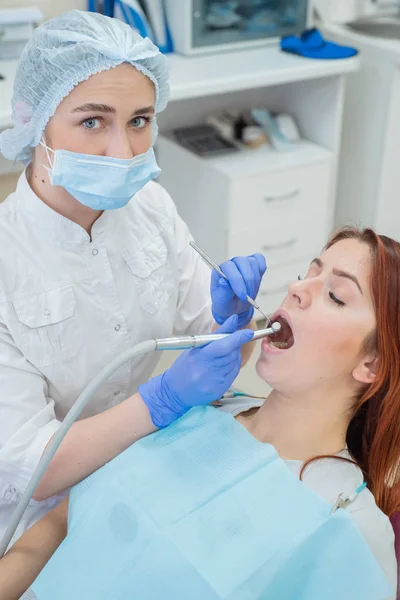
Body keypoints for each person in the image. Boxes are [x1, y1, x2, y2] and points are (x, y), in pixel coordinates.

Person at [1, 227, 399, 600]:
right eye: (306, 274)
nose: (296, 289)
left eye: (336, 296)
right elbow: (60, 524)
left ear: (373, 365)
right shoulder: (200, 408)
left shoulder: (350, 529)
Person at [0, 10, 267, 545]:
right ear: (35, 124)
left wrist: (232, 324)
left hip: (138, 470)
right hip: (38, 516)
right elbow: (31, 468)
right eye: (93, 121)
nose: (122, 152)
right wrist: (161, 400)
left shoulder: (150, 206)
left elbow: (216, 351)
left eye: (140, 120)